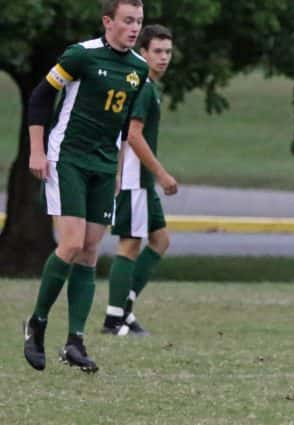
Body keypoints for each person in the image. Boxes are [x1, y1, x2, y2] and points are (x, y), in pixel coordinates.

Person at [23, 0, 147, 373]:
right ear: (108, 21)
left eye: (139, 22)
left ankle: (75, 341)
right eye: (127, 20)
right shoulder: (81, 56)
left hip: (103, 164)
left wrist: (119, 171)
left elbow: (125, 125)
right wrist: (36, 151)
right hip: (68, 158)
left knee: (91, 252)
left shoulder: (138, 69)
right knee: (72, 244)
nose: (134, 28)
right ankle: (37, 324)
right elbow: (40, 97)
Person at [102, 24, 177, 337]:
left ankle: (125, 308)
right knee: (130, 245)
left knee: (160, 241)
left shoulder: (149, 87)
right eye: (157, 52)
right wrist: (161, 173)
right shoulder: (143, 86)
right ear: (142, 53)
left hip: (141, 180)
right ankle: (113, 319)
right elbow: (132, 135)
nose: (163, 58)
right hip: (136, 178)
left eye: (168, 52)